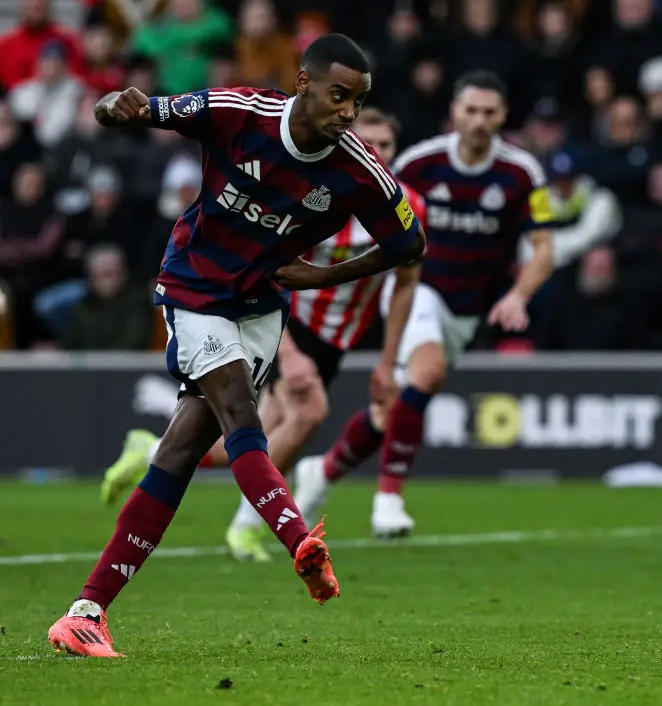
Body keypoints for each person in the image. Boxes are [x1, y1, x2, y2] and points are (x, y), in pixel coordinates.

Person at [47, 34, 427, 659]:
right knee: (240, 412)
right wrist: (119, 106)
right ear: (303, 83)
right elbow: (138, 107)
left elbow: (410, 245)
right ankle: (298, 539)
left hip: (259, 307)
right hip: (193, 285)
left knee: (180, 452)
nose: (348, 114)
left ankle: (86, 612)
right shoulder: (239, 111)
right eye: (338, 96)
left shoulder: (357, 170)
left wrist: (323, 274)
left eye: (358, 102)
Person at [99, 108, 427, 562]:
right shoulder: (319, 188)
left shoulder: (394, 201)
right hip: (292, 325)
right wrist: (287, 352)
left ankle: (152, 449)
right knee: (306, 413)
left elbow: (406, 280)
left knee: (242, 431)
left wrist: (389, 361)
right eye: (368, 139)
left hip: (339, 338)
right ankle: (251, 527)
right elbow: (274, 268)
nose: (376, 151)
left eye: (386, 145)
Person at [290, 70, 554, 535]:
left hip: (469, 306)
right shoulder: (419, 163)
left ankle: (323, 471)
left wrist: (519, 295)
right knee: (427, 374)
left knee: (391, 406)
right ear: (454, 113)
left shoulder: (523, 173)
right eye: (470, 111)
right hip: (416, 288)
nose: (478, 121)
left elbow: (544, 249)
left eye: (489, 113)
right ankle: (388, 500)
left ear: (503, 116)